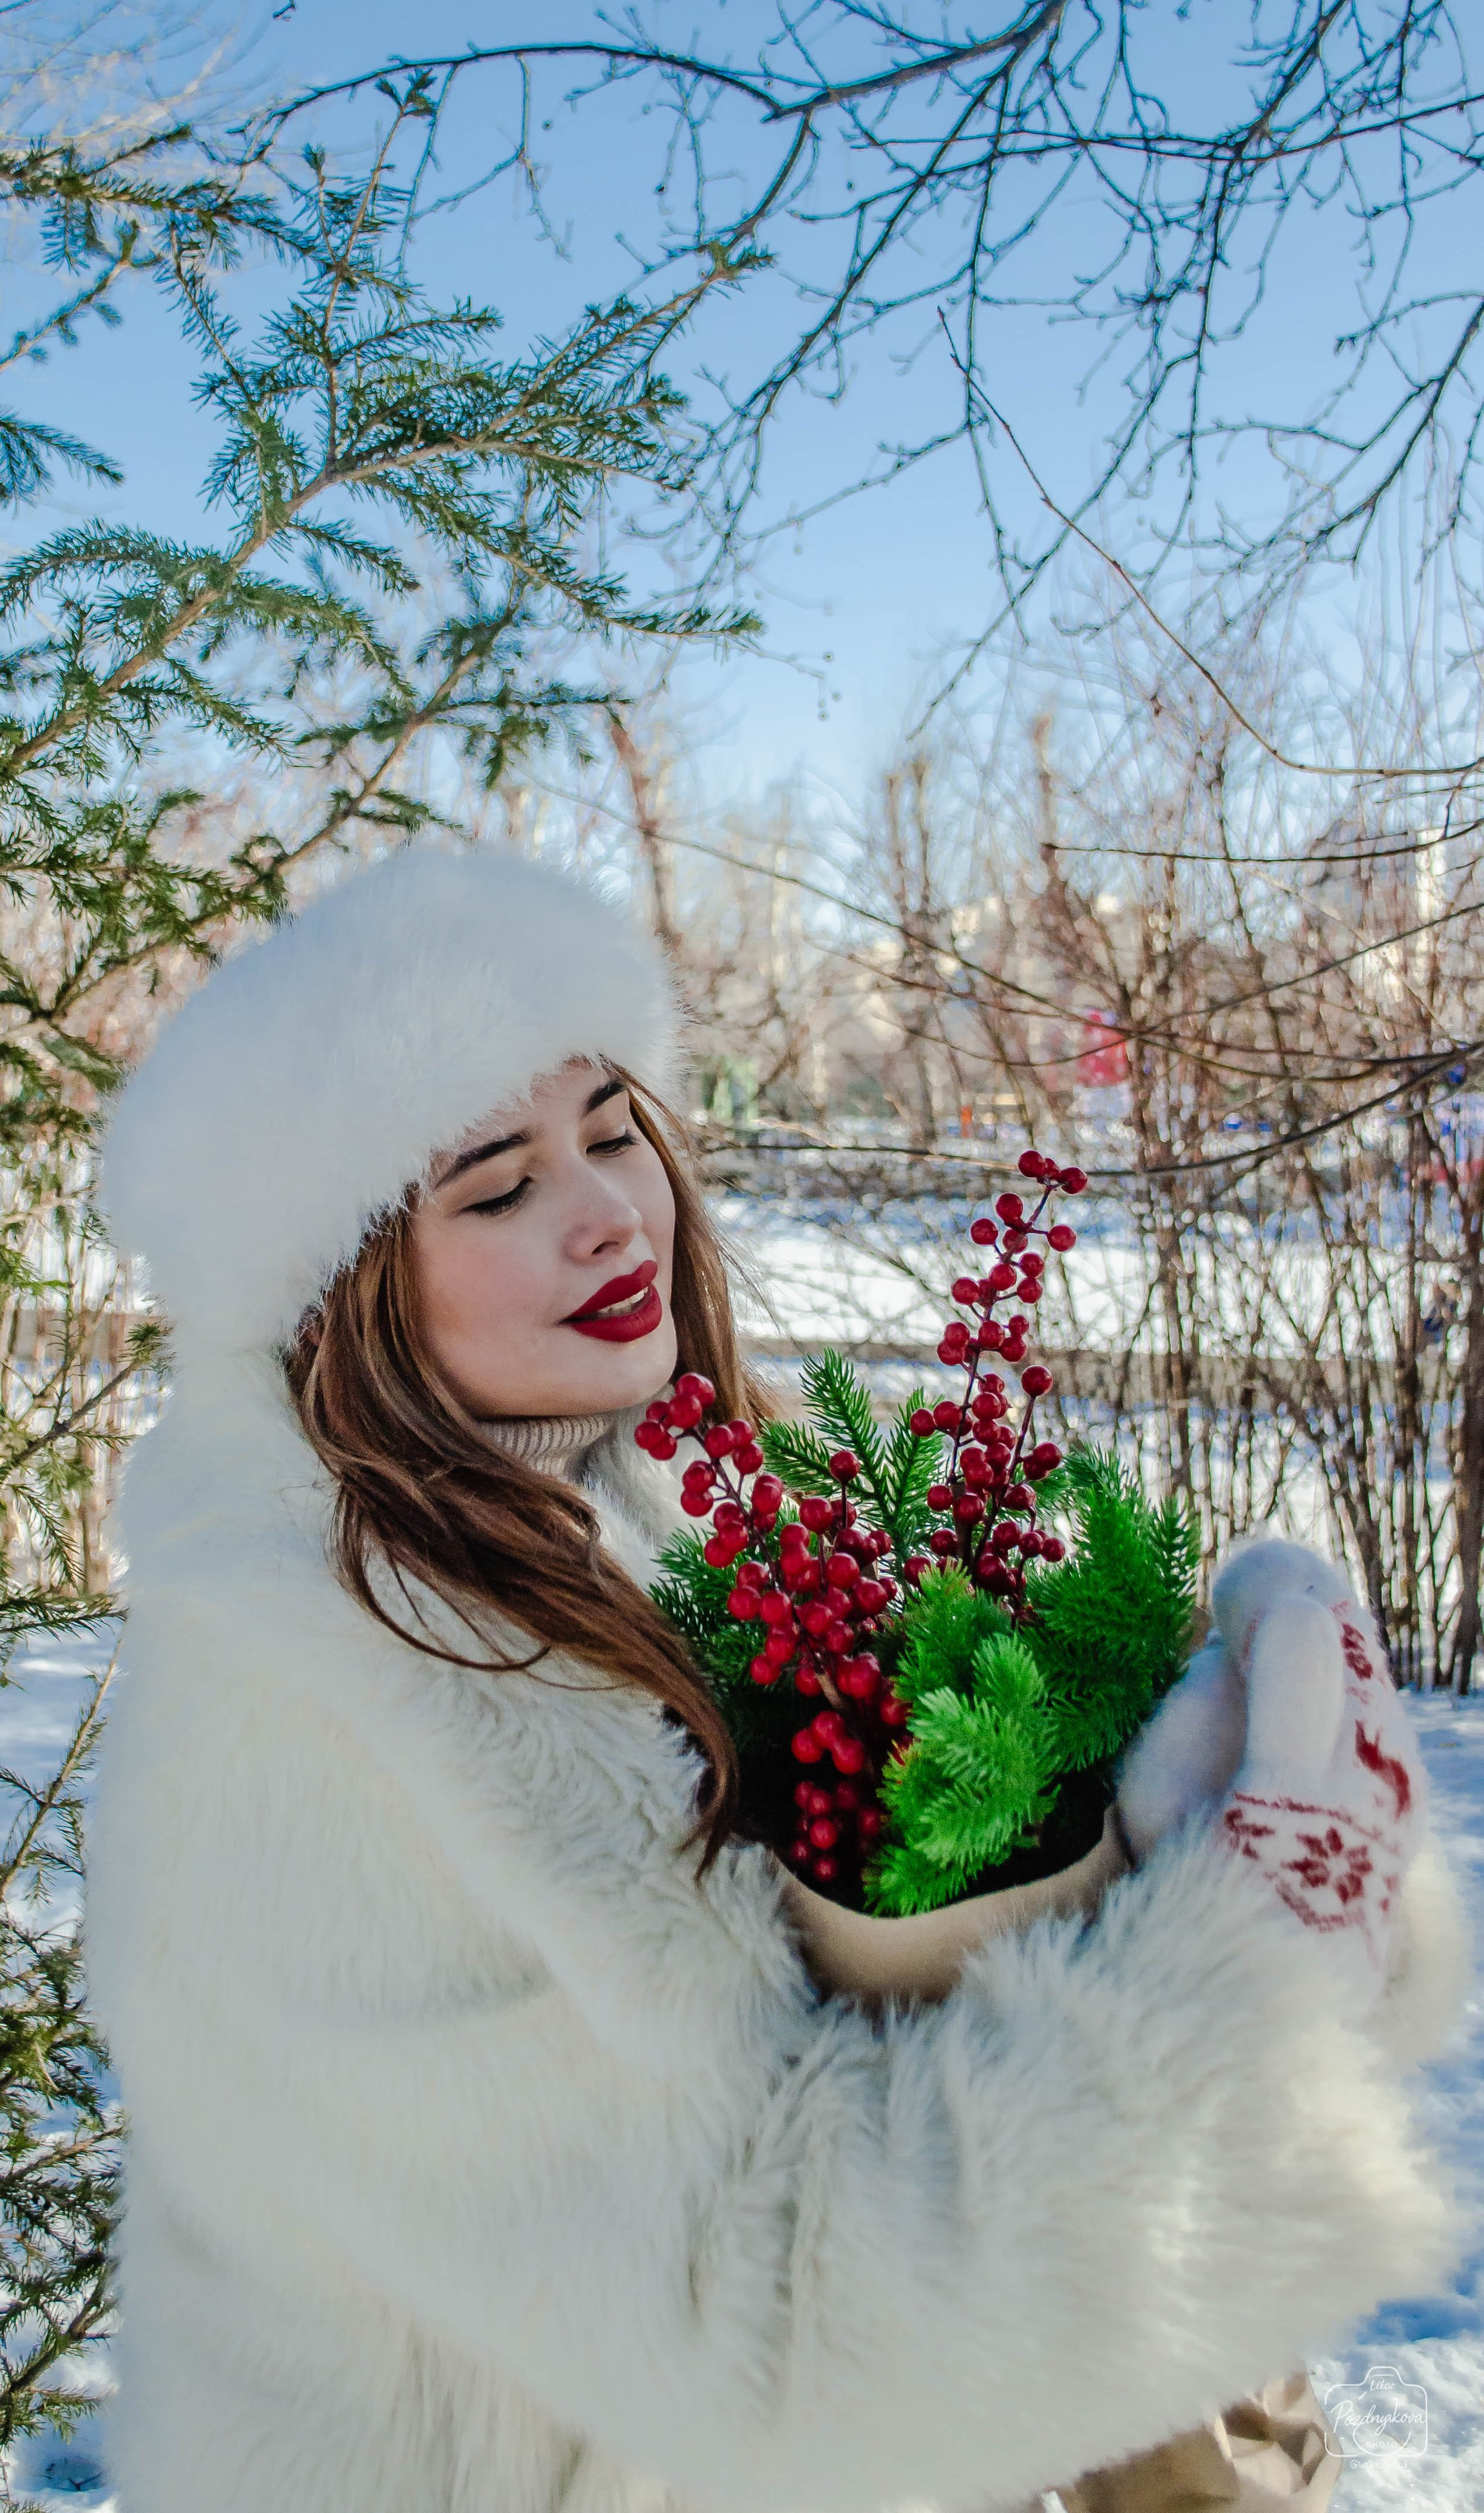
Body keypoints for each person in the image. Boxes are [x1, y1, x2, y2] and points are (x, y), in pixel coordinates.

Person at [89, 844, 1470, 2513]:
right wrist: (1232, 1966)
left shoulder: (740, 1486)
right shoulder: (300, 1713)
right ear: (346, 1291)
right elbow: (766, 2323)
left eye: (612, 1129)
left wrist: (1219, 1805)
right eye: (498, 1189)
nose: (609, 1211)